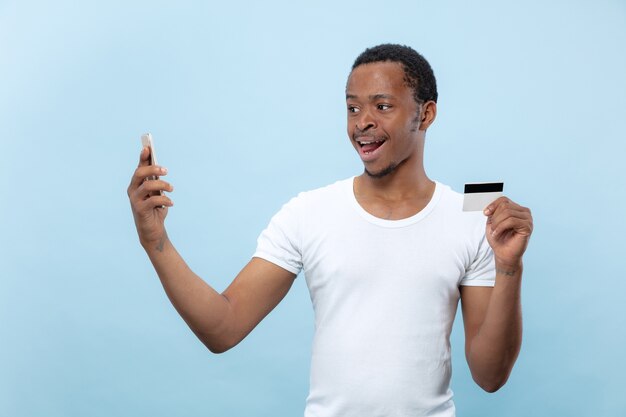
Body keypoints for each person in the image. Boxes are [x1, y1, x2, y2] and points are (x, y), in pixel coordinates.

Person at [127, 44, 533, 417]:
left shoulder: (469, 221)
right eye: (353, 109)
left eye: (382, 106)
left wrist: (509, 268)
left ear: (425, 114)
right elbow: (223, 327)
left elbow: (489, 376)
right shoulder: (308, 212)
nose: (363, 123)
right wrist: (155, 241)